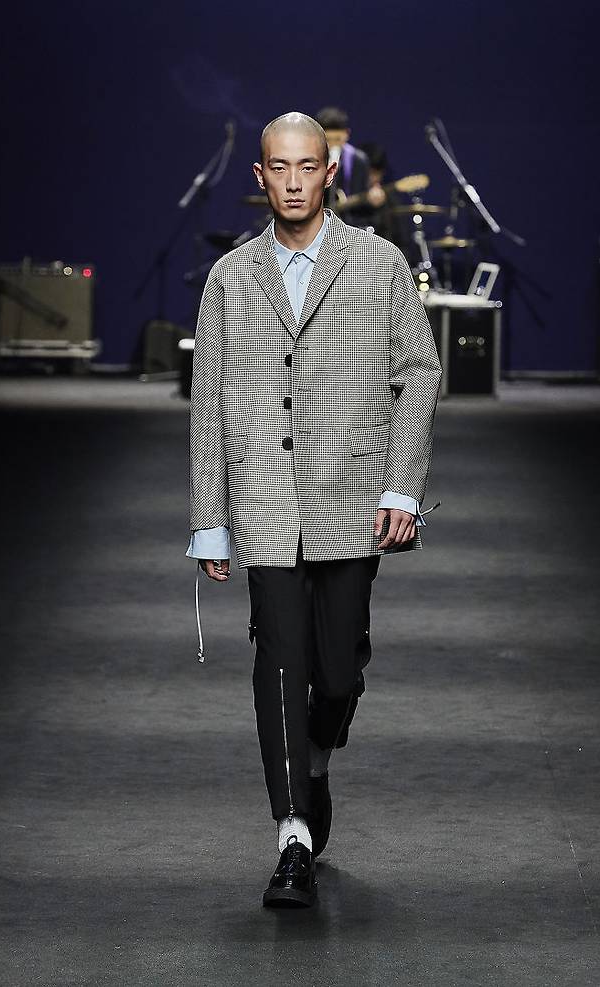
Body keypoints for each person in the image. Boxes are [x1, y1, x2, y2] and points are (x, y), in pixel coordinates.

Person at [186, 111, 442, 909]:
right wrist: (209, 516)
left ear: (329, 172)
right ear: (259, 176)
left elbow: (420, 372)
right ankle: (292, 833)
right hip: (264, 493)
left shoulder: (379, 263)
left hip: (351, 492)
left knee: (336, 671)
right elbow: (208, 400)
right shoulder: (230, 277)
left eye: (307, 166)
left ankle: (319, 755)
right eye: (279, 167)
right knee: (280, 660)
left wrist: (401, 487)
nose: (293, 182)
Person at [314, 105, 371, 224]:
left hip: (349, 224)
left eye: (337, 139)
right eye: (328, 140)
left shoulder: (358, 160)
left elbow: (363, 203)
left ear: (347, 134)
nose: (332, 145)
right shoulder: (309, 160)